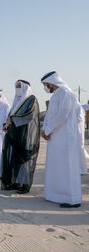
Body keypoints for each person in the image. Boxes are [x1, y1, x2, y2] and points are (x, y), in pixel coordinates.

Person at [41, 71, 82, 208]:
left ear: (53, 82)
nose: (46, 87)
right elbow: (49, 115)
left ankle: (72, 199)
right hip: (55, 137)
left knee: (68, 167)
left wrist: (48, 130)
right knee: (57, 167)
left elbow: (61, 116)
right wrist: (45, 129)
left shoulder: (66, 93)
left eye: (47, 85)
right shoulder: (56, 95)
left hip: (65, 137)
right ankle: (56, 195)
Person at [1, 80, 40, 194]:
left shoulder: (31, 99)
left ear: (25, 87)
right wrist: (7, 124)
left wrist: (12, 120)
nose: (17, 88)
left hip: (25, 134)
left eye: (19, 86)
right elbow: (11, 116)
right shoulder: (16, 101)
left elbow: (29, 115)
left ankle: (24, 184)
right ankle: (15, 182)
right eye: (16, 86)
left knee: (24, 159)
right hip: (14, 135)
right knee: (15, 159)